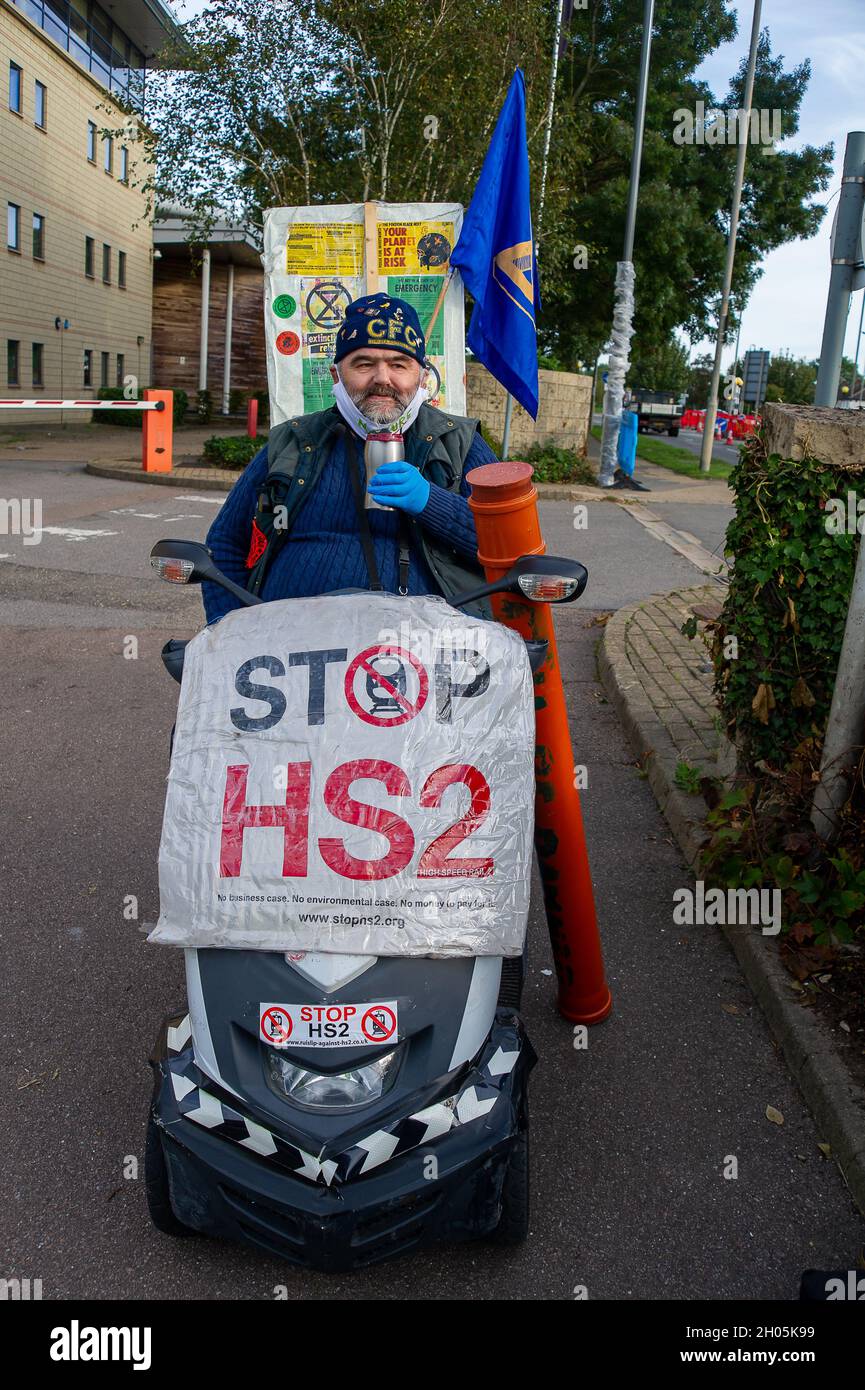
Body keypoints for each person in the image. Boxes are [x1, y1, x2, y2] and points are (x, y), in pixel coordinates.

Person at [201, 292, 498, 623]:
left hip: (430, 650)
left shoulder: (459, 443)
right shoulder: (294, 441)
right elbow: (225, 545)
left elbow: (507, 548)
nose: (382, 379)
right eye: (364, 363)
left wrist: (431, 502)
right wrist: (229, 631)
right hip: (289, 650)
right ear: (336, 376)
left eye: (399, 364)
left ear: (423, 377)